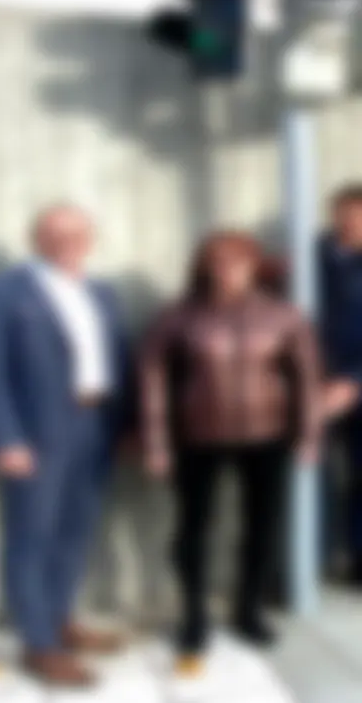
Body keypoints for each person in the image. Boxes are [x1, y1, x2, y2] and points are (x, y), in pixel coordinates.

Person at [0, 204, 130, 687]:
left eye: (76, 234)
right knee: (32, 536)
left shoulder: (100, 292)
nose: (67, 243)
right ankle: (40, 643)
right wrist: (6, 437)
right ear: (37, 237)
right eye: (56, 234)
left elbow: (120, 358)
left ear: (89, 238)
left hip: (94, 426)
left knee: (76, 531)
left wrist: (125, 429)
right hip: (36, 435)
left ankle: (61, 619)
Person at [140, 231, 324, 657]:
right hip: (197, 436)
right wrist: (156, 442)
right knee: (194, 529)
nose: (227, 270)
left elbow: (307, 379)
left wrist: (309, 434)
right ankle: (194, 616)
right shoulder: (179, 316)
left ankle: (248, 610)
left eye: (237, 261)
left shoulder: (284, 315)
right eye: (217, 261)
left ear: (254, 266)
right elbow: (151, 378)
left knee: (262, 528)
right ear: (203, 266)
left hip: (268, 436)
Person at [318, 184, 362, 584]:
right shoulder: (313, 259)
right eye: (342, 215)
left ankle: (358, 562)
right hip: (315, 385)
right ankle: (309, 563)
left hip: (356, 381)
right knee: (312, 477)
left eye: (357, 216)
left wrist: (353, 381)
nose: (349, 224)